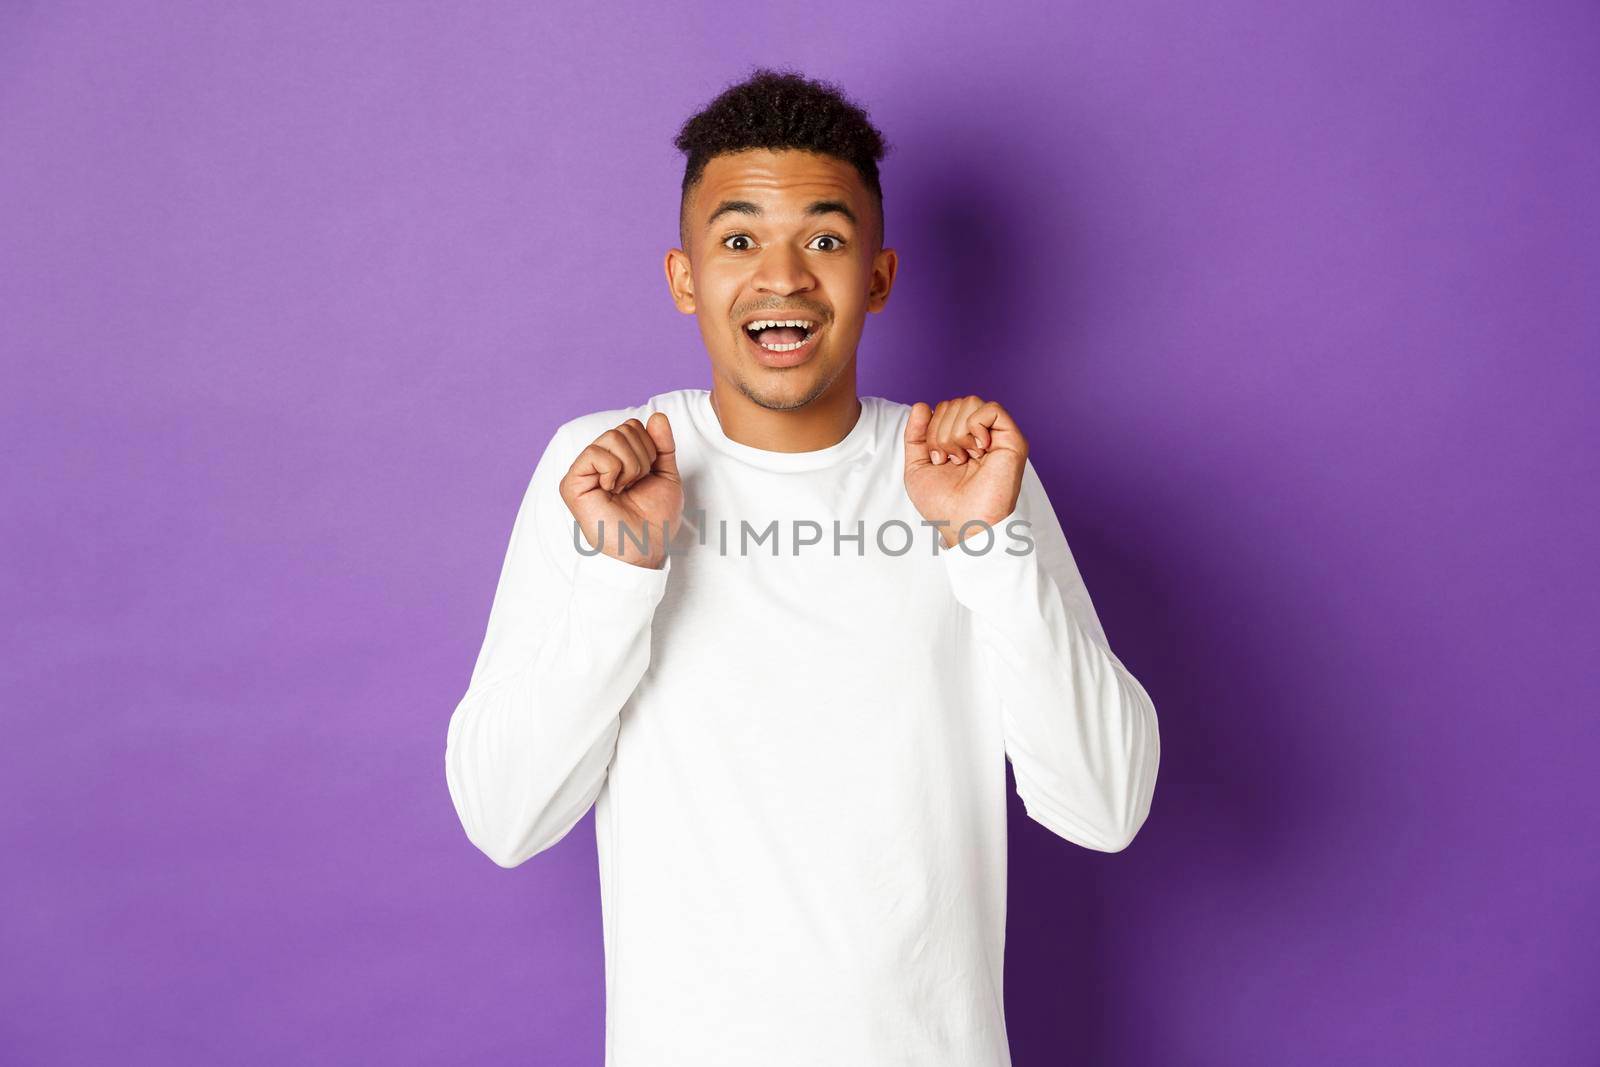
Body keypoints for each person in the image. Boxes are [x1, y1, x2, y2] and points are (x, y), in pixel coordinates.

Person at [444, 67, 1160, 1067]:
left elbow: (1104, 804)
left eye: (823, 237)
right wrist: (621, 573)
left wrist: (986, 548)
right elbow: (503, 815)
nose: (781, 275)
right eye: (738, 239)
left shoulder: (965, 475)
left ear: (876, 274)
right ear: (684, 275)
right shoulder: (602, 468)